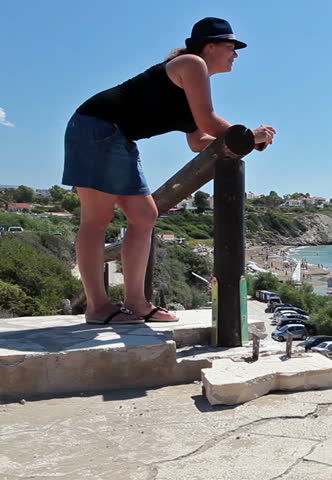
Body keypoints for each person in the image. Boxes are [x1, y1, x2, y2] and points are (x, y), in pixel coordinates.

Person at [63, 18, 276, 324]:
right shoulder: (190, 64)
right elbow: (209, 123)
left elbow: (198, 141)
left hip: (116, 136)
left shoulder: (193, 81)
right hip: (96, 128)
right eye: (231, 47)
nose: (236, 55)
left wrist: (246, 143)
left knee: (145, 216)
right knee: (96, 221)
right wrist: (248, 135)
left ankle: (136, 302)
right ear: (210, 46)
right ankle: (97, 307)